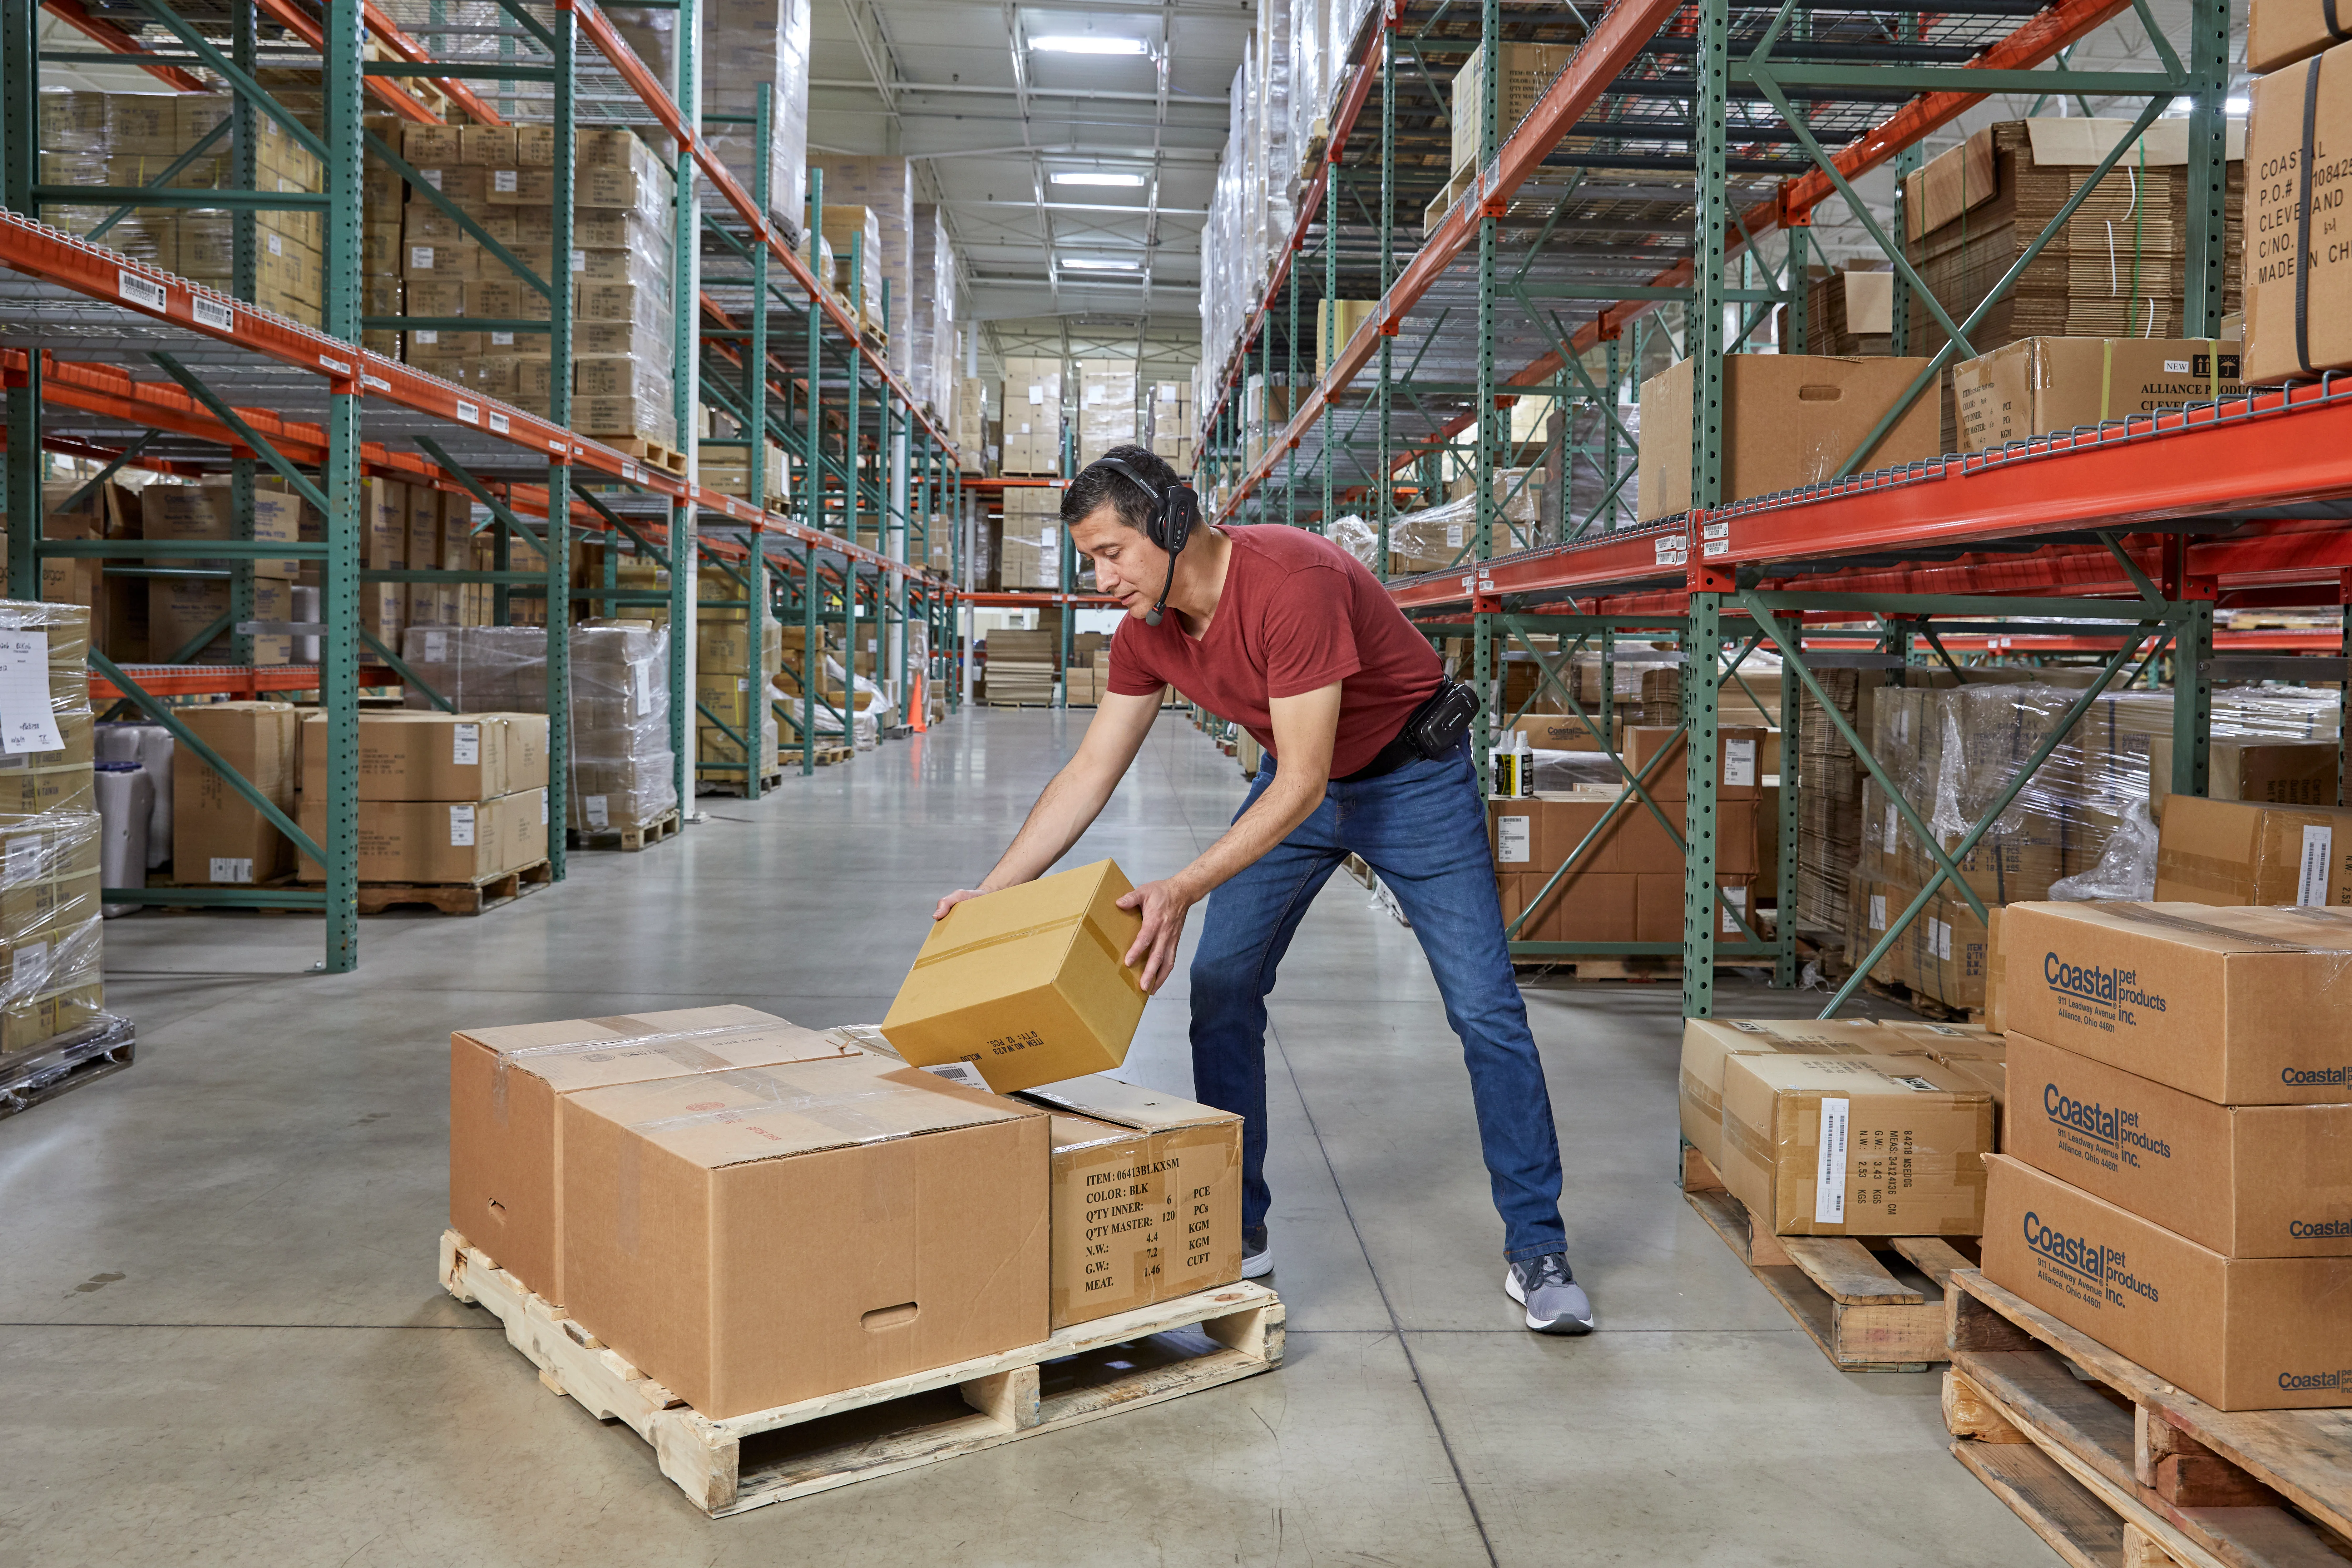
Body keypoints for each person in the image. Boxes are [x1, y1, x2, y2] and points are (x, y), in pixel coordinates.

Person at [934, 445, 1590, 1335]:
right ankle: (1237, 1231)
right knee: (1221, 987)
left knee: (1482, 1009)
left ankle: (1537, 1246)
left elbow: (1305, 783)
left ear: (1171, 523)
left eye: (1113, 552)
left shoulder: (1293, 581)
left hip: (1410, 784)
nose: (1101, 579)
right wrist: (992, 892)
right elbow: (1092, 769)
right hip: (1298, 783)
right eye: (1089, 558)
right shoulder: (1147, 632)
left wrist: (1181, 887)